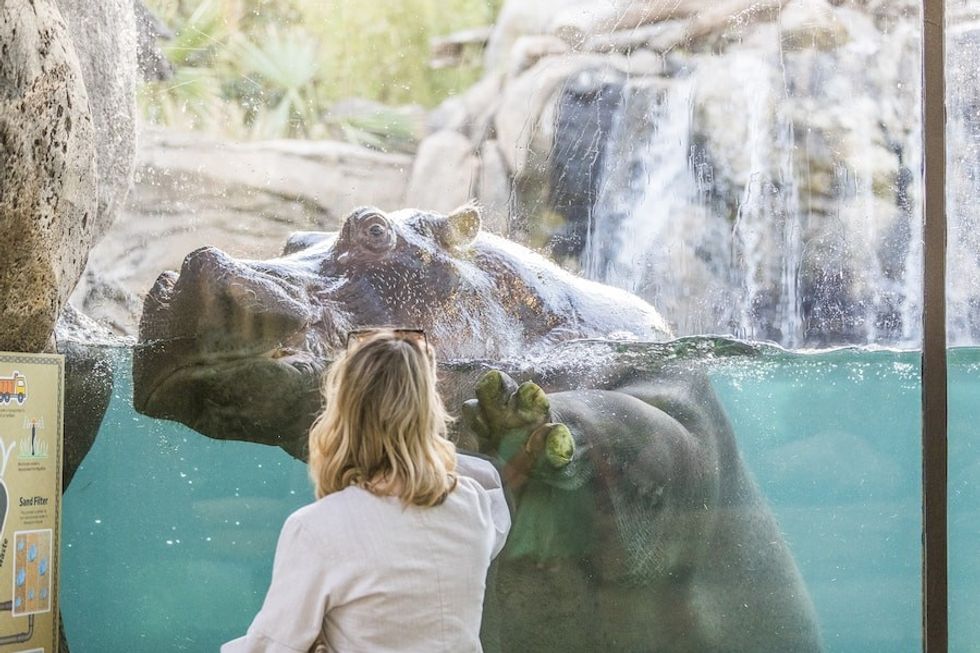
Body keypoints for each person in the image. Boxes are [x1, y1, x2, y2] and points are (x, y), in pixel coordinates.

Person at [221, 328, 510, 653]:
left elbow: (271, 648)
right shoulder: (473, 509)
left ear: (342, 412)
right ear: (430, 411)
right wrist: (421, 446)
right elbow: (486, 482)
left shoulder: (317, 528)